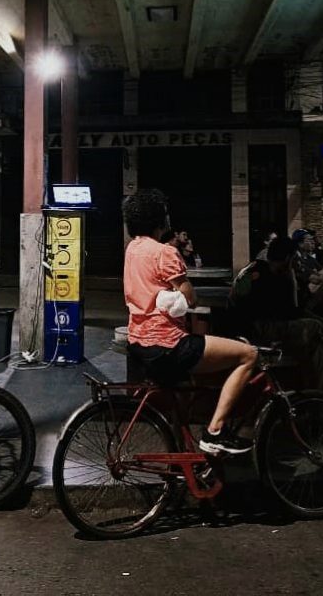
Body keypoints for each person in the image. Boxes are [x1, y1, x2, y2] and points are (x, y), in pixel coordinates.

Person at [123, 189, 257, 456]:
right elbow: (190, 298)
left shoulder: (132, 249)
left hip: (138, 342)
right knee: (248, 355)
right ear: (162, 220)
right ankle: (215, 432)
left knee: (182, 396)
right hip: (169, 345)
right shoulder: (165, 253)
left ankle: (180, 457)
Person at [230, 239, 323, 394]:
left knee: (315, 348)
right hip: (261, 330)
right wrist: (291, 277)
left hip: (246, 329)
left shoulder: (251, 268)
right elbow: (291, 312)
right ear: (288, 258)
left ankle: (320, 398)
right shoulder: (274, 276)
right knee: (316, 328)